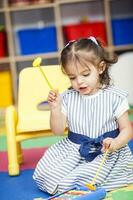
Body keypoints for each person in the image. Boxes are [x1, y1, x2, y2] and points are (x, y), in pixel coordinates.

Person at [33, 36, 133, 195]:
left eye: (85, 74)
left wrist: (116, 142)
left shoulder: (115, 97)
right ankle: (77, 186)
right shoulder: (67, 97)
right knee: (46, 174)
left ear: (100, 68)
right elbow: (58, 131)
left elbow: (127, 130)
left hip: (105, 153)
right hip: (73, 152)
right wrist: (55, 109)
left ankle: (80, 186)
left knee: (91, 175)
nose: (79, 82)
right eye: (72, 77)